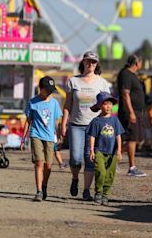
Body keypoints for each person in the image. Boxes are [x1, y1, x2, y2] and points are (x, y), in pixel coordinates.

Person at [61, 51, 111, 201]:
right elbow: (68, 104)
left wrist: (109, 123)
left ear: (97, 65)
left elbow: (107, 105)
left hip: (95, 127)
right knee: (75, 159)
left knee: (90, 159)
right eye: (88, 61)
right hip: (76, 124)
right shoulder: (73, 81)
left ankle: (86, 190)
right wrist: (63, 124)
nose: (91, 64)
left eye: (94, 62)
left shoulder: (102, 83)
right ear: (82, 62)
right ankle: (75, 178)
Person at [21, 76, 62, 202]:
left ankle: (44, 186)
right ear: (41, 88)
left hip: (49, 137)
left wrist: (59, 136)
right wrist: (23, 138)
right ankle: (38, 191)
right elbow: (28, 121)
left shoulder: (54, 103)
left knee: (48, 166)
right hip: (36, 135)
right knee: (39, 162)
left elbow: (57, 122)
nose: (49, 93)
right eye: (47, 90)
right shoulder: (33, 102)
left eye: (51, 90)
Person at [87, 92, 124, 206]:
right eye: (105, 104)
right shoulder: (96, 121)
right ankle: (98, 192)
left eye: (110, 104)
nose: (108, 106)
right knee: (101, 172)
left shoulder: (115, 120)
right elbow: (92, 136)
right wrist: (92, 150)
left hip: (112, 152)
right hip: (99, 151)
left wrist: (119, 150)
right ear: (99, 106)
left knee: (110, 174)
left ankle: (105, 194)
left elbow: (118, 136)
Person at [117, 54, 147, 177]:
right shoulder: (126, 74)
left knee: (134, 139)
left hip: (136, 112)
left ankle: (114, 157)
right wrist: (131, 112)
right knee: (131, 139)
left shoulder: (132, 75)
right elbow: (125, 94)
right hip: (130, 112)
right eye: (141, 62)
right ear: (137, 63)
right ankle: (132, 167)